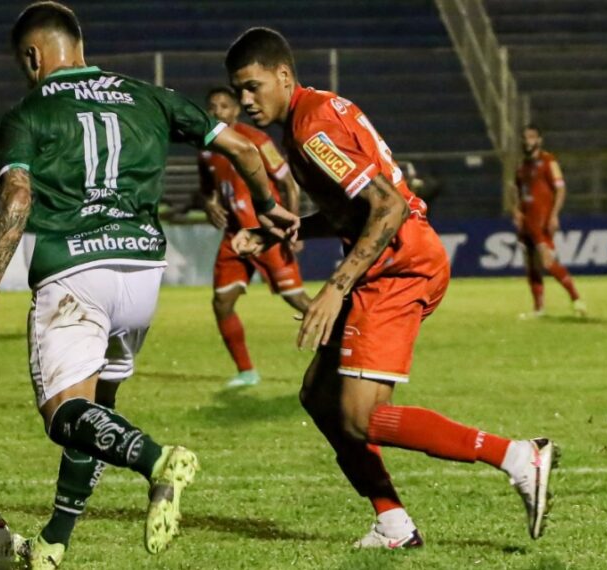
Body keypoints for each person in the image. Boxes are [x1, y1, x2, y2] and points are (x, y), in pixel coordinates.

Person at [0, 4, 299, 568]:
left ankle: (159, 460)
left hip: (74, 274)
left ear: (32, 56)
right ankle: (54, 541)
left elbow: (18, 195)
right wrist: (267, 208)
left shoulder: (28, 111)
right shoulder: (148, 94)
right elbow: (243, 148)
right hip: (141, 274)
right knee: (98, 420)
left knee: (64, 416)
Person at [226, 28, 557, 547]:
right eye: (238, 90)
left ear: (283, 76)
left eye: (253, 86)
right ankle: (393, 524)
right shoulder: (310, 117)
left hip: (397, 265)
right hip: (389, 258)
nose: (245, 100)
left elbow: (388, 207)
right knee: (318, 396)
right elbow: (350, 209)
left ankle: (517, 456)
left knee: (361, 417)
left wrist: (336, 286)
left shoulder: (311, 129)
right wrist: (282, 229)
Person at [198, 87, 310, 388]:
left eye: (224, 105)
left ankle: (345, 350)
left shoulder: (257, 141)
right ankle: (247, 371)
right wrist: (209, 204)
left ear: (235, 111)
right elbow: (207, 189)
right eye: (213, 106)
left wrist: (291, 225)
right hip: (235, 237)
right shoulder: (207, 149)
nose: (218, 111)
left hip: (266, 234)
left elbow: (290, 184)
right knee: (222, 302)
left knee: (298, 299)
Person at [512, 125, 585, 318]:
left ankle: (576, 299)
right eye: (525, 137)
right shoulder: (521, 167)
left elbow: (560, 189)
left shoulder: (548, 161)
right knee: (531, 264)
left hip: (542, 219)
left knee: (546, 262)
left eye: (532, 137)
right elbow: (519, 193)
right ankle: (538, 309)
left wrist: (554, 214)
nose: (528, 141)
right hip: (527, 221)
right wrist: (517, 211)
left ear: (539, 140)